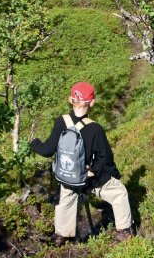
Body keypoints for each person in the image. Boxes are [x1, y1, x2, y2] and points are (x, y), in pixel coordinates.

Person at [30, 81, 133, 246]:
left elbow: (47, 150)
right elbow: (105, 159)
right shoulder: (95, 129)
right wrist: (111, 175)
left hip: (66, 177)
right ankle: (125, 231)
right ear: (92, 102)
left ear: (71, 100)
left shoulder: (61, 121)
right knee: (119, 193)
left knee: (66, 198)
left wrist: (34, 143)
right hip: (87, 178)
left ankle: (61, 236)